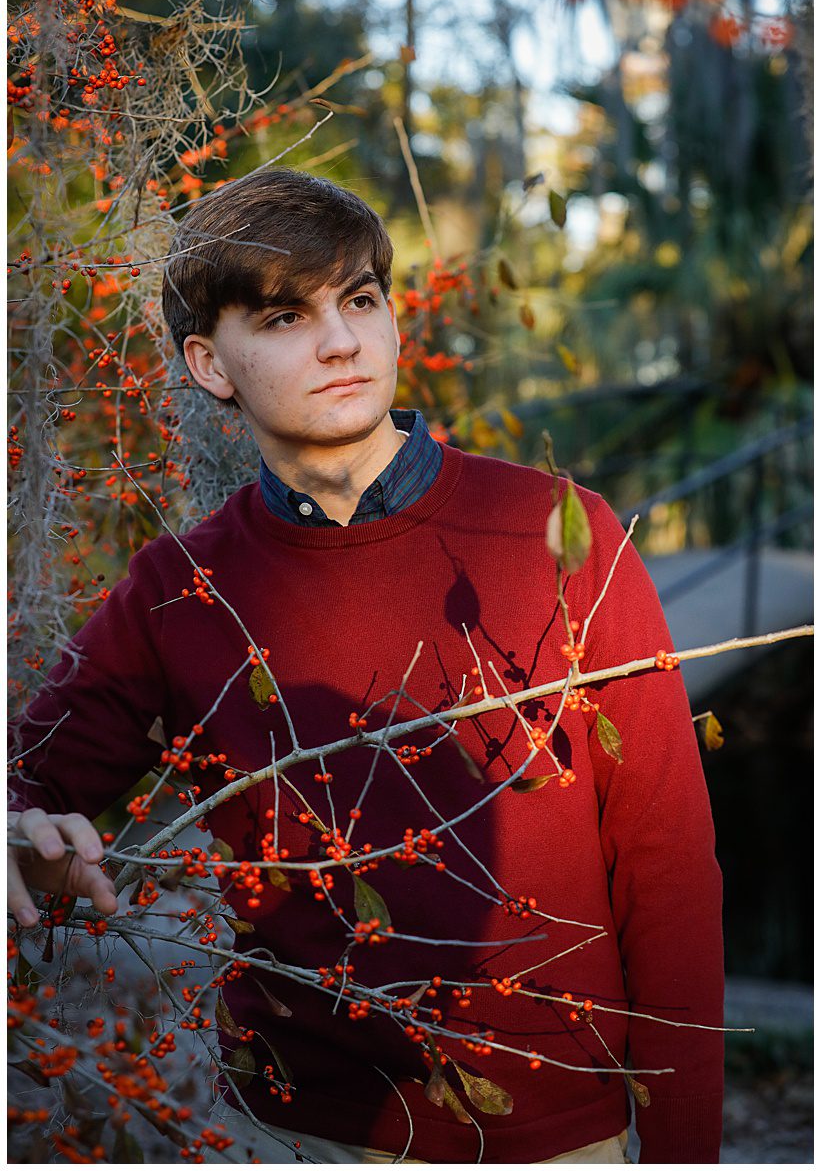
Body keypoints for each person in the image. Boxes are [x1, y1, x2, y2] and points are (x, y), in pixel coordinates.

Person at [7, 169, 724, 1163]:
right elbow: (28, 783)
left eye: (359, 300)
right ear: (211, 365)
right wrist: (24, 836)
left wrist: (687, 1150)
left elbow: (668, 868)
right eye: (286, 315)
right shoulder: (179, 591)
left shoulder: (562, 535)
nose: (342, 340)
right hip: (296, 1132)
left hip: (558, 1138)